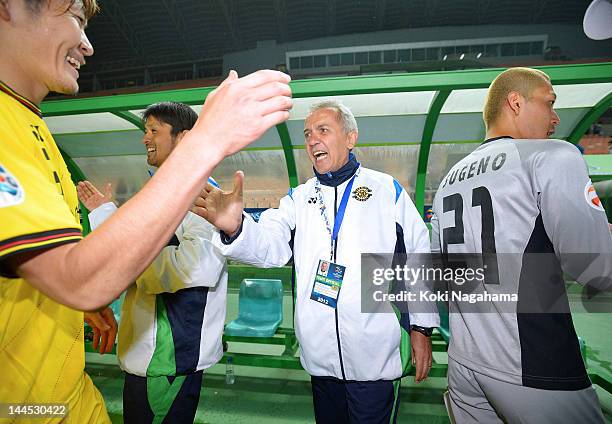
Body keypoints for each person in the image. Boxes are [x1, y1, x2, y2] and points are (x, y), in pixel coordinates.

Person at [0, 0, 291, 421]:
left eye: (154, 131)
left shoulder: (30, 125)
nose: (88, 45)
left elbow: (173, 269)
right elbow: (82, 275)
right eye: (76, 19)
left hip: (132, 372)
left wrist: (79, 297)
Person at [194, 100, 439, 423]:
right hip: (320, 360)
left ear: (351, 138)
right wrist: (236, 227)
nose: (312, 140)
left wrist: (421, 328)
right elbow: (270, 245)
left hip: (374, 358)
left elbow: (418, 258)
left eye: (323, 130)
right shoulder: (298, 198)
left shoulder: (385, 190)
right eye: (308, 133)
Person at [430, 67, 612, 423]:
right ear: (515, 102)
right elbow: (597, 267)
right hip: (532, 362)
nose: (555, 117)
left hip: (464, 364)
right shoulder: (552, 155)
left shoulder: (449, 181)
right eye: (549, 103)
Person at [77, 102, 228, 424]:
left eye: (154, 130)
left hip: (169, 355)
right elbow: (130, 248)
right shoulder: (164, 191)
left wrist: (126, 255)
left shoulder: (202, 193)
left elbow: (197, 266)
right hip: (149, 353)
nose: (145, 138)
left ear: (183, 138)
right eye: (145, 131)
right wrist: (107, 219)